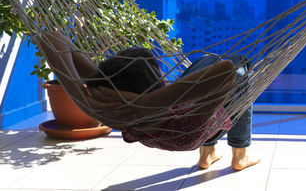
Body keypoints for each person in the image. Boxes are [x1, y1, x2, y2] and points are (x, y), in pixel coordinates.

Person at [39, 31, 260, 171]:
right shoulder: (186, 126)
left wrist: (84, 102)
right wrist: (147, 103)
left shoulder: (112, 109)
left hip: (170, 110)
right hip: (209, 113)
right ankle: (240, 154)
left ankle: (208, 153)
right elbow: (227, 72)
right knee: (241, 65)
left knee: (207, 60)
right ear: (157, 86)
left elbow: (51, 38)